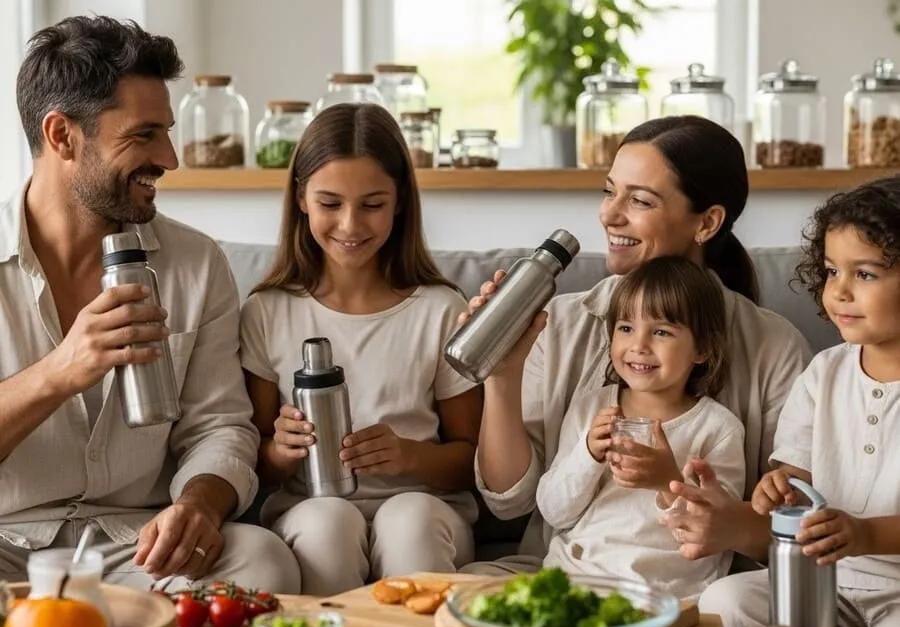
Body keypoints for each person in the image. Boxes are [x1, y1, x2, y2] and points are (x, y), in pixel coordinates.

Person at [0, 16, 301, 593]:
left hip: (138, 546)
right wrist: (59, 373)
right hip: (8, 544)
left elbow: (220, 426)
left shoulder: (196, 262)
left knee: (262, 561)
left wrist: (199, 504)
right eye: (144, 135)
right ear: (62, 136)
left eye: (167, 132)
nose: (169, 157)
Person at [464, 115, 811, 575]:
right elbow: (510, 502)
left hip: (687, 583)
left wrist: (675, 486)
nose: (609, 215)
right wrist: (501, 375)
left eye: (640, 200)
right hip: (565, 574)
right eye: (609, 192)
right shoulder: (558, 324)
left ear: (708, 222)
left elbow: (795, 525)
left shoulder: (774, 347)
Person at [239, 103, 483, 596]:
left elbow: (474, 461)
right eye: (330, 203)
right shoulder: (267, 311)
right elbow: (250, 460)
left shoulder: (440, 309)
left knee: (409, 520)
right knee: (327, 524)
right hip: (311, 507)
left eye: (372, 205)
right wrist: (281, 453)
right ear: (301, 198)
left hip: (427, 506)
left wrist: (409, 457)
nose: (350, 225)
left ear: (400, 202)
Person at [701, 177, 900, 627]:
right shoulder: (824, 372)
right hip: (826, 578)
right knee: (725, 603)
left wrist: (865, 534)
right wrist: (781, 486)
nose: (840, 291)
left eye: (865, 274)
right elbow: (797, 473)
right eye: (832, 271)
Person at [538, 256, 745, 600]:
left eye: (661, 332)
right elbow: (555, 512)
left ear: (703, 349)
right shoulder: (591, 408)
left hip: (667, 590)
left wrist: (668, 481)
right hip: (578, 575)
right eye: (626, 328)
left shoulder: (718, 429)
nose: (638, 345)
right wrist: (587, 455)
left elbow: (715, 534)